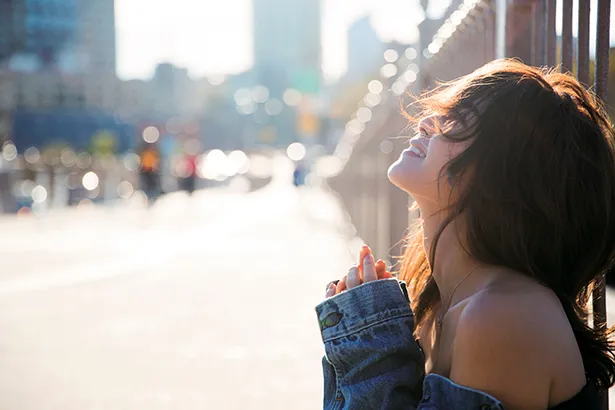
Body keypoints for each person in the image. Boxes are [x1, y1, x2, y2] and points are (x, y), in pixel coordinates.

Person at [316, 59, 615, 409]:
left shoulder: (502, 314)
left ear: (504, 172)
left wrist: (371, 352)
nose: (428, 123)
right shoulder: (438, 304)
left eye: (457, 120)